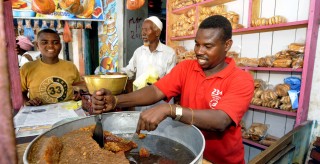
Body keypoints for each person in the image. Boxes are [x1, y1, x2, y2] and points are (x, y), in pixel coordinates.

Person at [91, 15, 254, 163]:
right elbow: (155, 91)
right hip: (190, 154)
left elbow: (221, 120)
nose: (199, 51)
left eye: (208, 46)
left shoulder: (241, 79)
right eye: (197, 44)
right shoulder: (187, 68)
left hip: (221, 161)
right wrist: (117, 100)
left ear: (227, 45)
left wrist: (171, 109)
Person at [120, 16, 176, 110]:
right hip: (140, 102)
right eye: (142, 30)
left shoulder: (169, 53)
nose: (143, 33)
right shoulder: (139, 52)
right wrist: (117, 75)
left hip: (160, 105)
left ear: (157, 32)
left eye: (146, 30)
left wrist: (159, 81)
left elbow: (171, 82)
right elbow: (129, 71)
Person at [20, 29, 81, 106]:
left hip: (67, 113)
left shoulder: (71, 66)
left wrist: (78, 95)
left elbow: (78, 90)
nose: (50, 45)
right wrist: (27, 102)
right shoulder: (27, 68)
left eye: (55, 42)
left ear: (60, 46)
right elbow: (20, 92)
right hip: (39, 115)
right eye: (44, 42)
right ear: (37, 45)